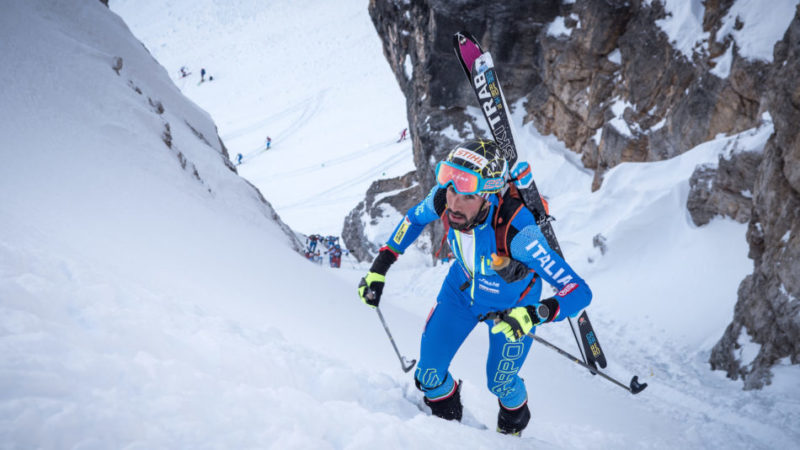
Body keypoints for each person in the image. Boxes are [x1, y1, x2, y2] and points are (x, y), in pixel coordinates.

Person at [357, 139, 592, 436]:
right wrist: (380, 268)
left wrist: (535, 314)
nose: (454, 204)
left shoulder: (520, 232)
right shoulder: (444, 198)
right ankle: (450, 434)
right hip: (461, 292)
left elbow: (579, 290)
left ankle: (511, 436)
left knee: (501, 383)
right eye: (452, 190)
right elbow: (414, 219)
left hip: (514, 306)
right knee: (428, 376)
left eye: (468, 196)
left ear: (488, 196)